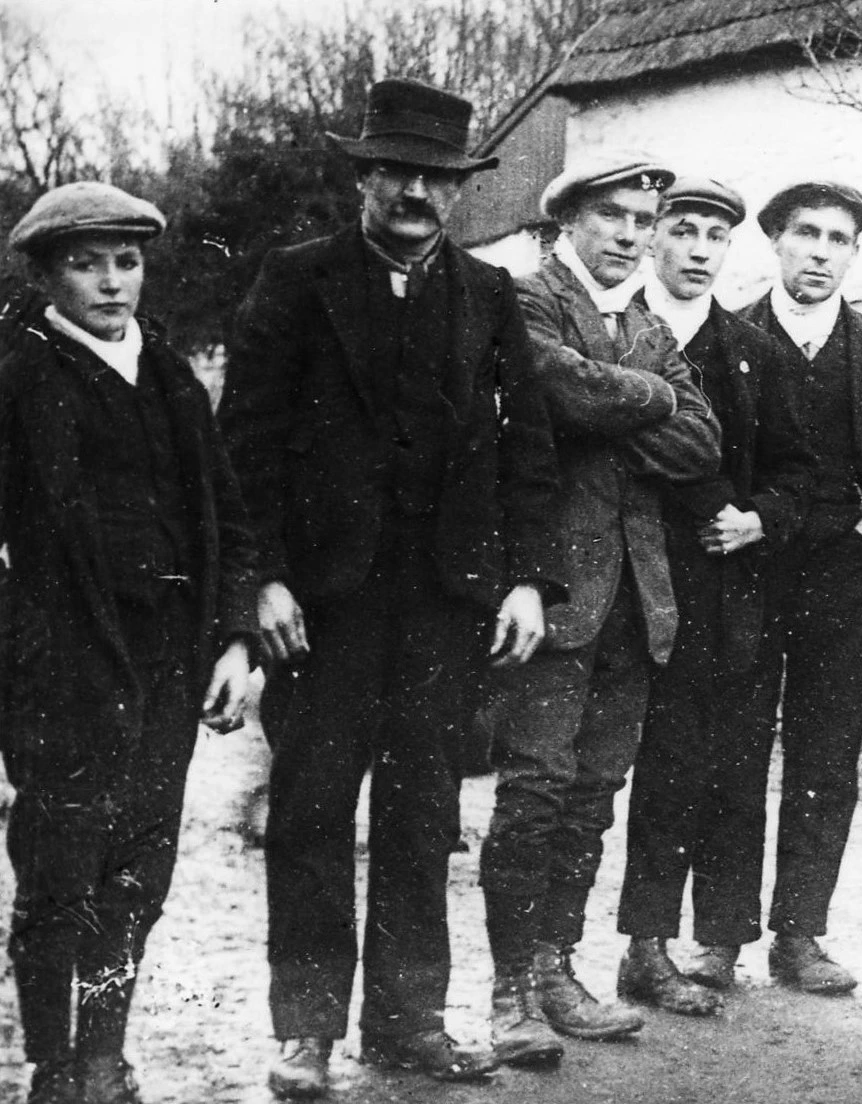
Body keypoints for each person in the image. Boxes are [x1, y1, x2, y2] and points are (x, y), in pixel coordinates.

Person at [220, 78, 563, 1097]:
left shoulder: (489, 296)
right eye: (398, 173)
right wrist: (261, 579)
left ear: (460, 189)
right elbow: (243, 446)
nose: (417, 193)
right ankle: (307, 1032)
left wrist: (527, 581)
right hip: (320, 611)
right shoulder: (296, 280)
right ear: (364, 177)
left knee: (422, 818)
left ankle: (408, 1022)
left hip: (444, 608)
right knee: (311, 815)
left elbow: (528, 450)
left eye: (437, 178)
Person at [0, 182, 256, 1104]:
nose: (112, 282)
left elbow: (229, 520)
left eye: (127, 261)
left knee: (138, 872)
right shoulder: (17, 378)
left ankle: (105, 1053)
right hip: (60, 672)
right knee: (58, 873)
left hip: (168, 666)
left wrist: (234, 643)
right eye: (85, 264)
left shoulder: (173, 377)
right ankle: (52, 1062)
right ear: (45, 276)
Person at [481, 153, 721, 1058]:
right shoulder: (528, 301)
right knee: (534, 790)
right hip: (553, 589)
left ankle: (557, 969)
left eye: (641, 221)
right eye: (611, 216)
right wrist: (652, 399)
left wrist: (614, 413)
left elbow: (701, 444)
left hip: (636, 598)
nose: (629, 235)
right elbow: (555, 391)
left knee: (591, 795)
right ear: (567, 222)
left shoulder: (649, 322)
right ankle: (509, 992)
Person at [708, 181, 862, 994]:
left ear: (853, 254)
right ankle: (720, 935)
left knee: (825, 760)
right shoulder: (728, 336)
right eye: (805, 234)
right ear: (774, 241)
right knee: (733, 753)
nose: (818, 252)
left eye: (836, 239)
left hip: (845, 580)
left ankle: (800, 934)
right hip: (749, 575)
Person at [614, 176, 817, 1007]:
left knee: (735, 767)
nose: (699, 251)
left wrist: (758, 519)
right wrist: (710, 505)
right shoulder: (619, 335)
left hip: (736, 595)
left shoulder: (755, 351)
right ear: (652, 238)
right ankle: (645, 946)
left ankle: (722, 939)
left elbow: (801, 471)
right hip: (644, 586)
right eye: (683, 231)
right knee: (663, 769)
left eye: (715, 236)